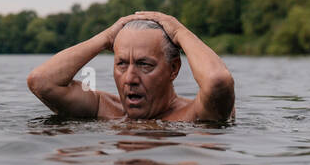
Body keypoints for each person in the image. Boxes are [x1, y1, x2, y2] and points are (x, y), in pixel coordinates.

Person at [26, 11, 235, 121]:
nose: (130, 78)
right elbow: (41, 81)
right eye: (122, 64)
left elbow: (218, 81)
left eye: (144, 64)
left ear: (173, 69)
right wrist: (106, 37)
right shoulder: (104, 109)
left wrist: (179, 32)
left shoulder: (195, 115)